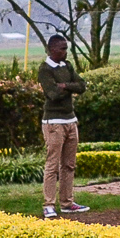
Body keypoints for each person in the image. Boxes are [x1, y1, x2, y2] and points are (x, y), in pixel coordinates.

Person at [32, 34, 89, 216]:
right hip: (53, 123)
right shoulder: (45, 70)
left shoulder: (68, 65)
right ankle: (48, 204)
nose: (66, 51)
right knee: (52, 164)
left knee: (69, 164)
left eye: (66, 48)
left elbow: (82, 85)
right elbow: (52, 94)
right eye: (62, 48)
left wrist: (64, 85)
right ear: (52, 49)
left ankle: (67, 202)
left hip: (70, 121)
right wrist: (66, 87)